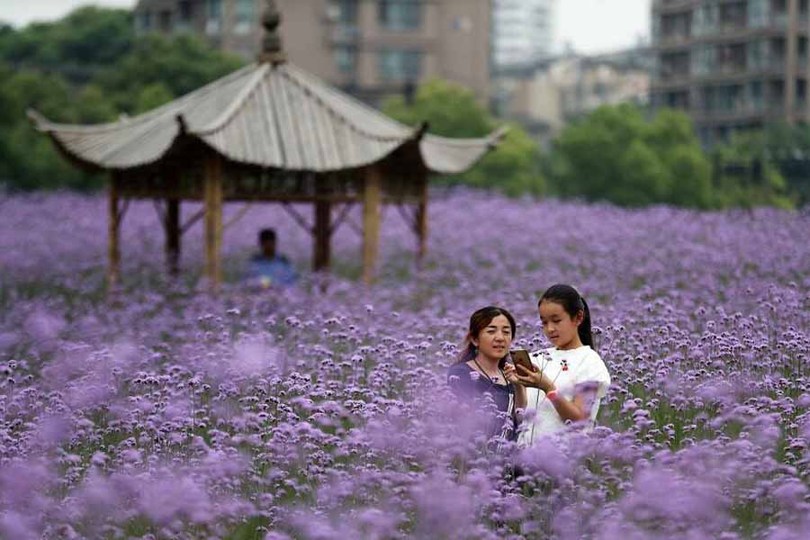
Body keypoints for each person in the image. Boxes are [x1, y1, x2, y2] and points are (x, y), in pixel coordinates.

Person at [512, 284, 611, 445]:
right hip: (525, 458)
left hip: (564, 460)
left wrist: (548, 389)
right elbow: (521, 416)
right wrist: (517, 385)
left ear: (578, 318)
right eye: (544, 322)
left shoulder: (589, 362)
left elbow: (579, 420)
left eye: (556, 321)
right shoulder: (537, 357)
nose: (550, 329)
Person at [447, 306, 527, 446]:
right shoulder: (461, 373)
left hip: (511, 461)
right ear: (475, 339)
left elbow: (521, 421)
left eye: (506, 332)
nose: (500, 338)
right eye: (491, 331)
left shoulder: (511, 374)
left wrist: (519, 385)